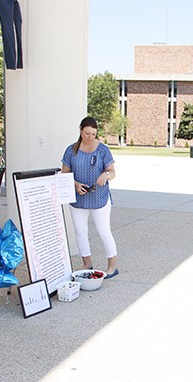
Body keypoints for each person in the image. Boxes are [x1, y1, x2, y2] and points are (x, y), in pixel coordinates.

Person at [61, 116, 119, 278]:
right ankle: (87, 263)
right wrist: (75, 184)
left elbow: (113, 172)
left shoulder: (102, 150)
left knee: (103, 231)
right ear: (80, 130)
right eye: (87, 133)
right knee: (80, 231)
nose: (90, 137)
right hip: (78, 199)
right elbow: (64, 174)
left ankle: (112, 267)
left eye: (93, 134)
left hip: (99, 198)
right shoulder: (71, 150)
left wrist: (105, 175)